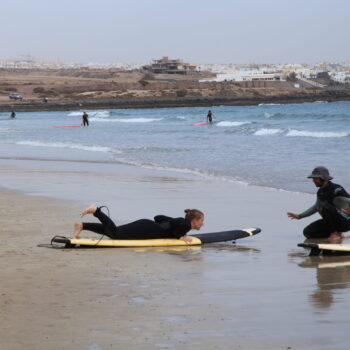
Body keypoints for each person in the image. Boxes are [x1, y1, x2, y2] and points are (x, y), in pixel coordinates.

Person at [73, 204, 204, 243]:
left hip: (145, 224)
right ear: (194, 220)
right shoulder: (185, 225)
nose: (202, 224)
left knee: (115, 232)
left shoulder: (181, 221)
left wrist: (174, 230)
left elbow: (157, 217)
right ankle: (97, 211)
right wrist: (180, 237)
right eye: (201, 221)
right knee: (116, 234)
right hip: (147, 230)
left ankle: (83, 226)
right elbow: (175, 225)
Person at [287, 166, 350, 241]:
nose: (313, 180)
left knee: (324, 205)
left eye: (316, 178)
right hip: (332, 222)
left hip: (345, 221)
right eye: (313, 178)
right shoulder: (320, 192)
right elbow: (316, 207)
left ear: (324, 179)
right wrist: (300, 216)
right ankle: (338, 234)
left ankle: (334, 233)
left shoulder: (336, 189)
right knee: (308, 232)